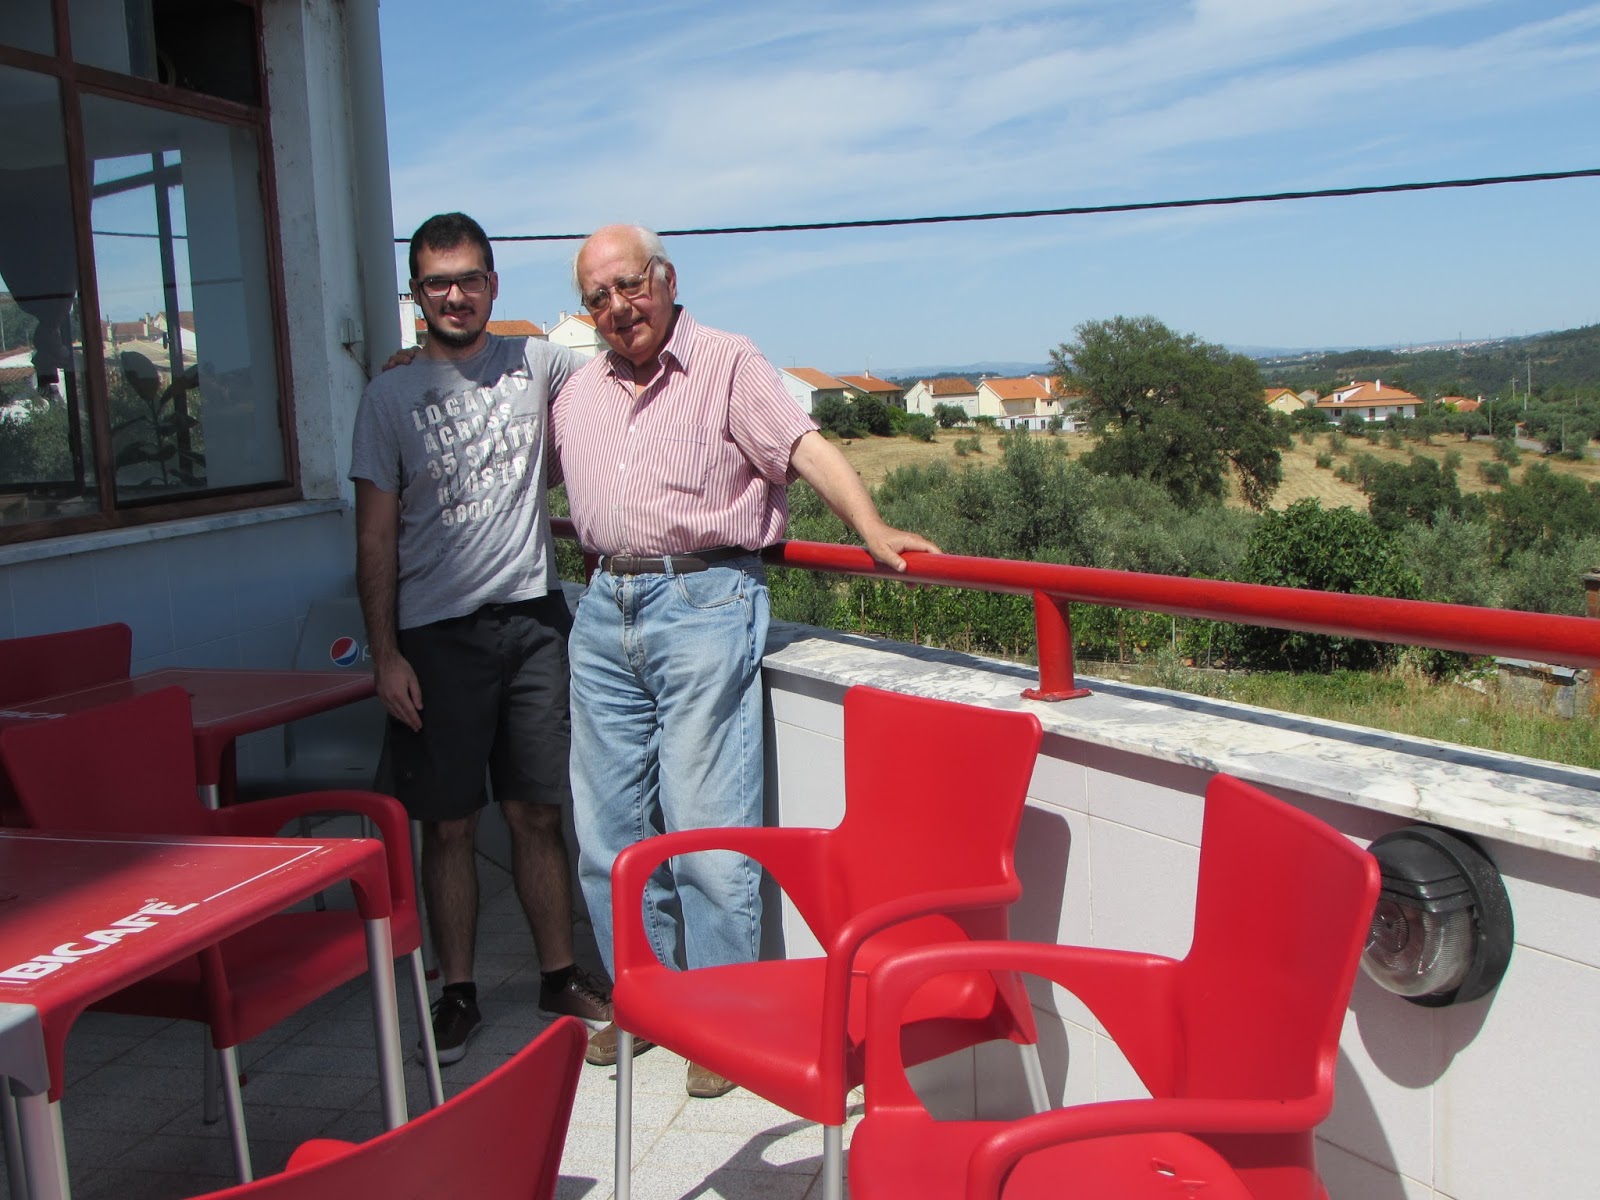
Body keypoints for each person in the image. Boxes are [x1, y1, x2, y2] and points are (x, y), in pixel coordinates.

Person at [554, 224, 939, 1098]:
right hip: (603, 605)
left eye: (629, 285)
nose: (618, 307)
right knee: (607, 833)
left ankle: (723, 1019)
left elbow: (804, 448)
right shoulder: (578, 390)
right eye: (598, 297)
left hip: (703, 598)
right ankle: (647, 1002)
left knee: (706, 826)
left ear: (665, 278)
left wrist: (871, 528)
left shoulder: (727, 362)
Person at [351, 212, 611, 1066]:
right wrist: (386, 654)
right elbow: (374, 537)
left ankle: (558, 975)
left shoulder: (538, 362)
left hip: (532, 624)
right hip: (434, 637)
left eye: (469, 279)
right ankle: (457, 993)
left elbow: (625, 357)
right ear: (416, 295)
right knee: (449, 825)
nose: (455, 295)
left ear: (494, 285)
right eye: (438, 283)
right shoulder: (388, 398)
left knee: (538, 812)